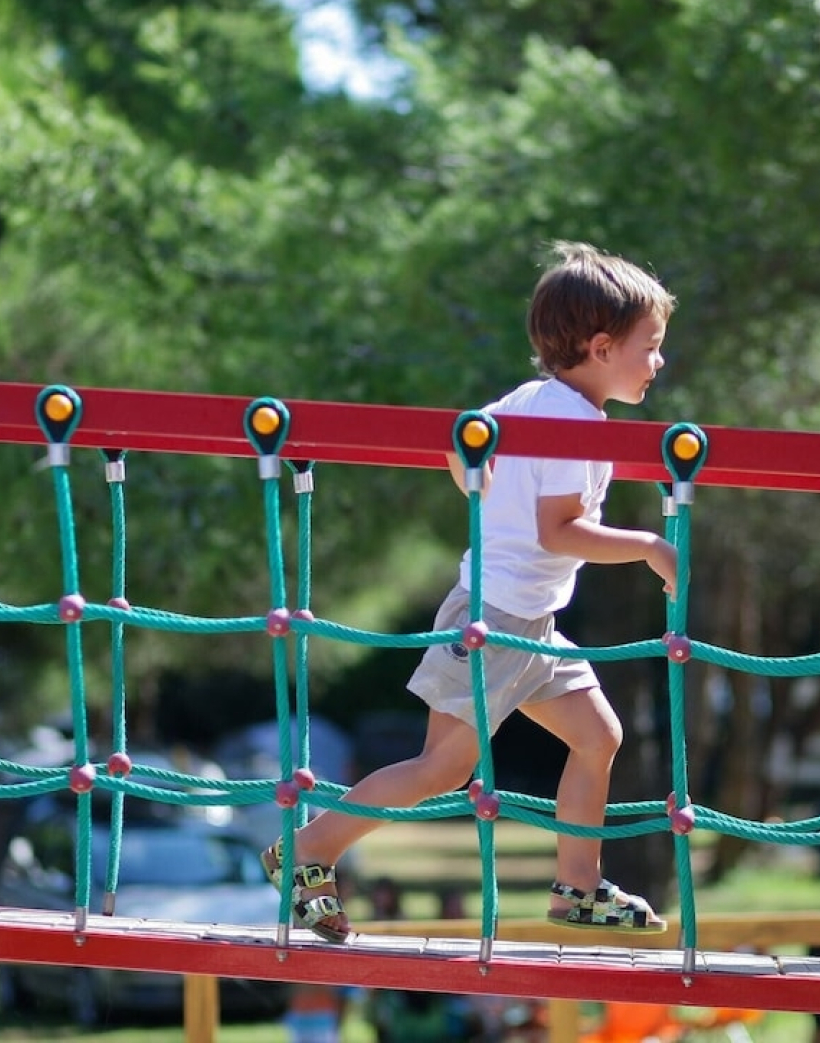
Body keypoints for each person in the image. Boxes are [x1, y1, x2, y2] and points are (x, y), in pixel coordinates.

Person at [262, 241, 678, 942]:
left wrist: (488, 497)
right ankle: (307, 852)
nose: (659, 362)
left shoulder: (529, 400)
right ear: (603, 347)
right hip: (492, 619)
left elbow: (461, 448)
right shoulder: (578, 426)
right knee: (442, 768)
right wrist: (651, 547)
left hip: (530, 622)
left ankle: (577, 885)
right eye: (652, 346)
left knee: (599, 736)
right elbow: (560, 531)